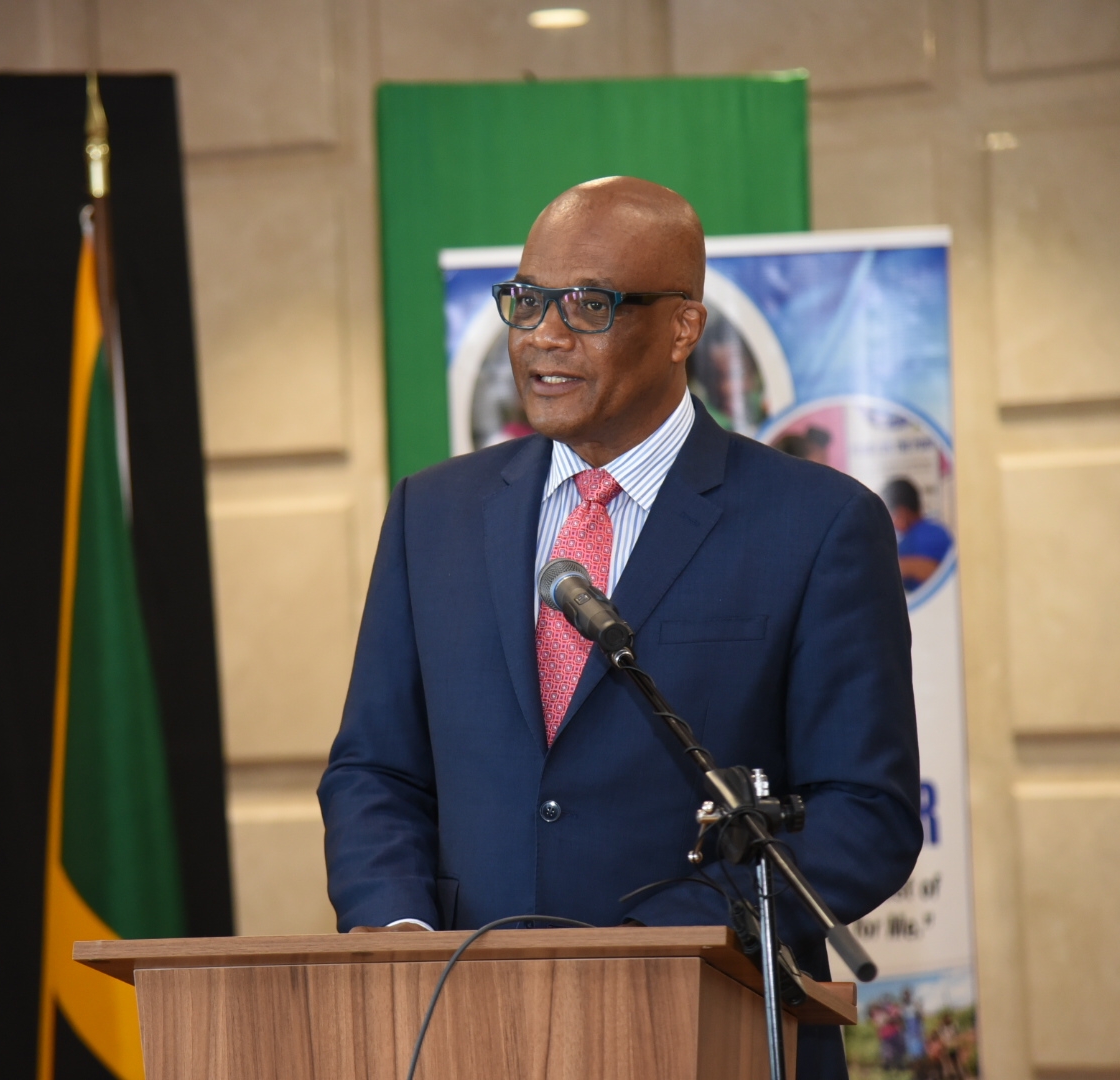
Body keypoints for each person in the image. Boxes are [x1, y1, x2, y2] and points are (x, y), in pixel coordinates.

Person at [318, 177, 921, 1080]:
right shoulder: (432, 514)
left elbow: (865, 813)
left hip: (703, 1025)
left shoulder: (818, 524)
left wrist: (660, 944)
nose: (543, 337)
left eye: (587, 306)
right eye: (526, 302)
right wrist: (398, 932)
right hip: (460, 1024)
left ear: (682, 327)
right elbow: (375, 767)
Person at [881, 477, 953, 591]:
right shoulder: (935, 531)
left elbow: (934, 572)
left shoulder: (928, 536)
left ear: (902, 513)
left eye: (890, 515)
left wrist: (895, 567)